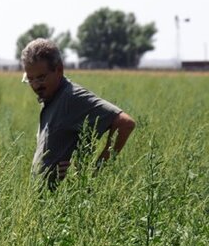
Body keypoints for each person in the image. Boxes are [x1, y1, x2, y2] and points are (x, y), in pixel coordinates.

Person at [21, 38, 136, 189]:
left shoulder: (72, 97)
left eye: (41, 78)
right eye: (30, 79)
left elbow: (125, 123)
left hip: (66, 201)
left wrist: (93, 172)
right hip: (45, 202)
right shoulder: (50, 98)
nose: (36, 85)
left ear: (59, 70)